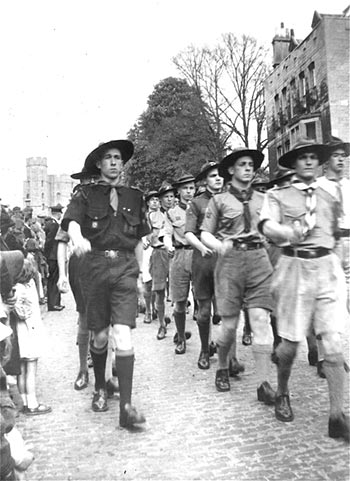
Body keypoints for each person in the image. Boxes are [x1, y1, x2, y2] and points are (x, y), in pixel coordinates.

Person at [259, 138, 349, 442]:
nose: (309, 162)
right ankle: (282, 392)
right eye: (303, 157)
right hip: (294, 268)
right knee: (290, 345)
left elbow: (336, 233)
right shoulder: (277, 195)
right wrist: (286, 232)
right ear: (294, 163)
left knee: (333, 343)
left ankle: (337, 416)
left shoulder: (328, 195)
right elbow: (267, 226)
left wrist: (339, 263)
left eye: (314, 157)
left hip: (325, 269)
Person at [61, 140, 150, 429]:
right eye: (108, 158)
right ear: (98, 164)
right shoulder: (85, 195)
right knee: (99, 338)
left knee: (123, 335)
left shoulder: (135, 197)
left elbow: (139, 240)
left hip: (125, 267)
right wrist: (78, 238)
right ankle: (100, 385)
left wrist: (142, 275)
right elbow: (72, 223)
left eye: (118, 158)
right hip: (95, 267)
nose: (114, 162)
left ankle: (126, 407)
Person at [201, 147, 275, 405]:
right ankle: (222, 366)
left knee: (260, 320)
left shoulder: (264, 199)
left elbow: (272, 228)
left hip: (258, 260)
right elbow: (205, 233)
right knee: (230, 327)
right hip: (230, 262)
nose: (248, 168)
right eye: (242, 164)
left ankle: (264, 383)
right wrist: (218, 245)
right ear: (231, 170)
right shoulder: (218, 201)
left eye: (251, 165)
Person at [185, 162, 230, 370]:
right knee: (204, 311)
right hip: (203, 260)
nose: (218, 178)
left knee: (228, 311)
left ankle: (228, 354)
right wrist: (201, 247)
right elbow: (188, 232)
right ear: (204, 180)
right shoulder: (196, 203)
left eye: (220, 175)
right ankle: (204, 348)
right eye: (213, 176)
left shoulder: (231, 199)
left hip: (227, 262)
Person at [13, 259, 51, 416]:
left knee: (22, 369)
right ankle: (33, 403)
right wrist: (25, 314)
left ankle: (23, 401)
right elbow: (20, 309)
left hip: (21, 332)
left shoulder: (17, 287)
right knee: (31, 370)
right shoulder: (25, 288)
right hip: (30, 331)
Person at [163, 173, 196, 355]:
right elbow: (167, 233)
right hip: (179, 254)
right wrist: (168, 245)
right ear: (179, 192)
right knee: (180, 301)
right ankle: (181, 337)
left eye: (191, 188)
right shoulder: (171, 213)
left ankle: (209, 341)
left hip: (198, 255)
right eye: (185, 188)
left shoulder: (200, 209)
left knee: (204, 300)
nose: (189, 192)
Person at [146, 187, 172, 340]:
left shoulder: (179, 212)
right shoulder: (154, 215)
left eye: (171, 196)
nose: (169, 199)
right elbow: (153, 236)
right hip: (161, 253)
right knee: (160, 290)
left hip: (180, 253)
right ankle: (162, 324)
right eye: (165, 197)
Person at [44, 204, 65, 311]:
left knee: (53, 279)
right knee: (54, 279)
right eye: (60, 213)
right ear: (57, 214)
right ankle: (54, 304)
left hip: (52, 256)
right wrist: (47, 255)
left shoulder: (50, 223)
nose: (61, 215)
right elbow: (49, 242)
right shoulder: (54, 225)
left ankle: (54, 303)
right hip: (53, 256)